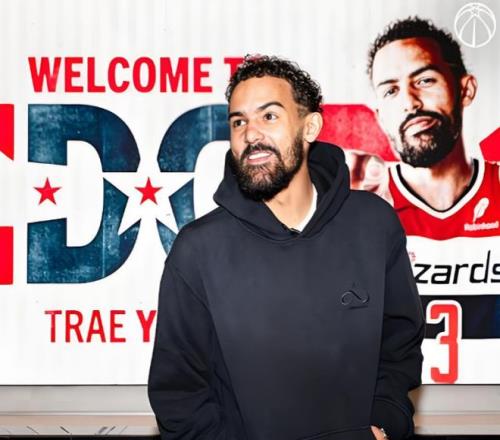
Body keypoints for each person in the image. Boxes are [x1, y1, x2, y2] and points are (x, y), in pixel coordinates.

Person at [148, 55, 424, 440]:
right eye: (238, 121)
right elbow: (179, 396)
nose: (251, 134)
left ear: (310, 126)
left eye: (269, 116)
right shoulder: (198, 250)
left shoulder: (374, 224)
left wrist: (385, 422)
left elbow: (400, 346)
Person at [362, 18, 500, 374]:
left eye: (424, 80)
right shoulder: (358, 210)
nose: (410, 102)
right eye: (390, 91)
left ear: (465, 89)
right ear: (379, 116)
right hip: (397, 408)